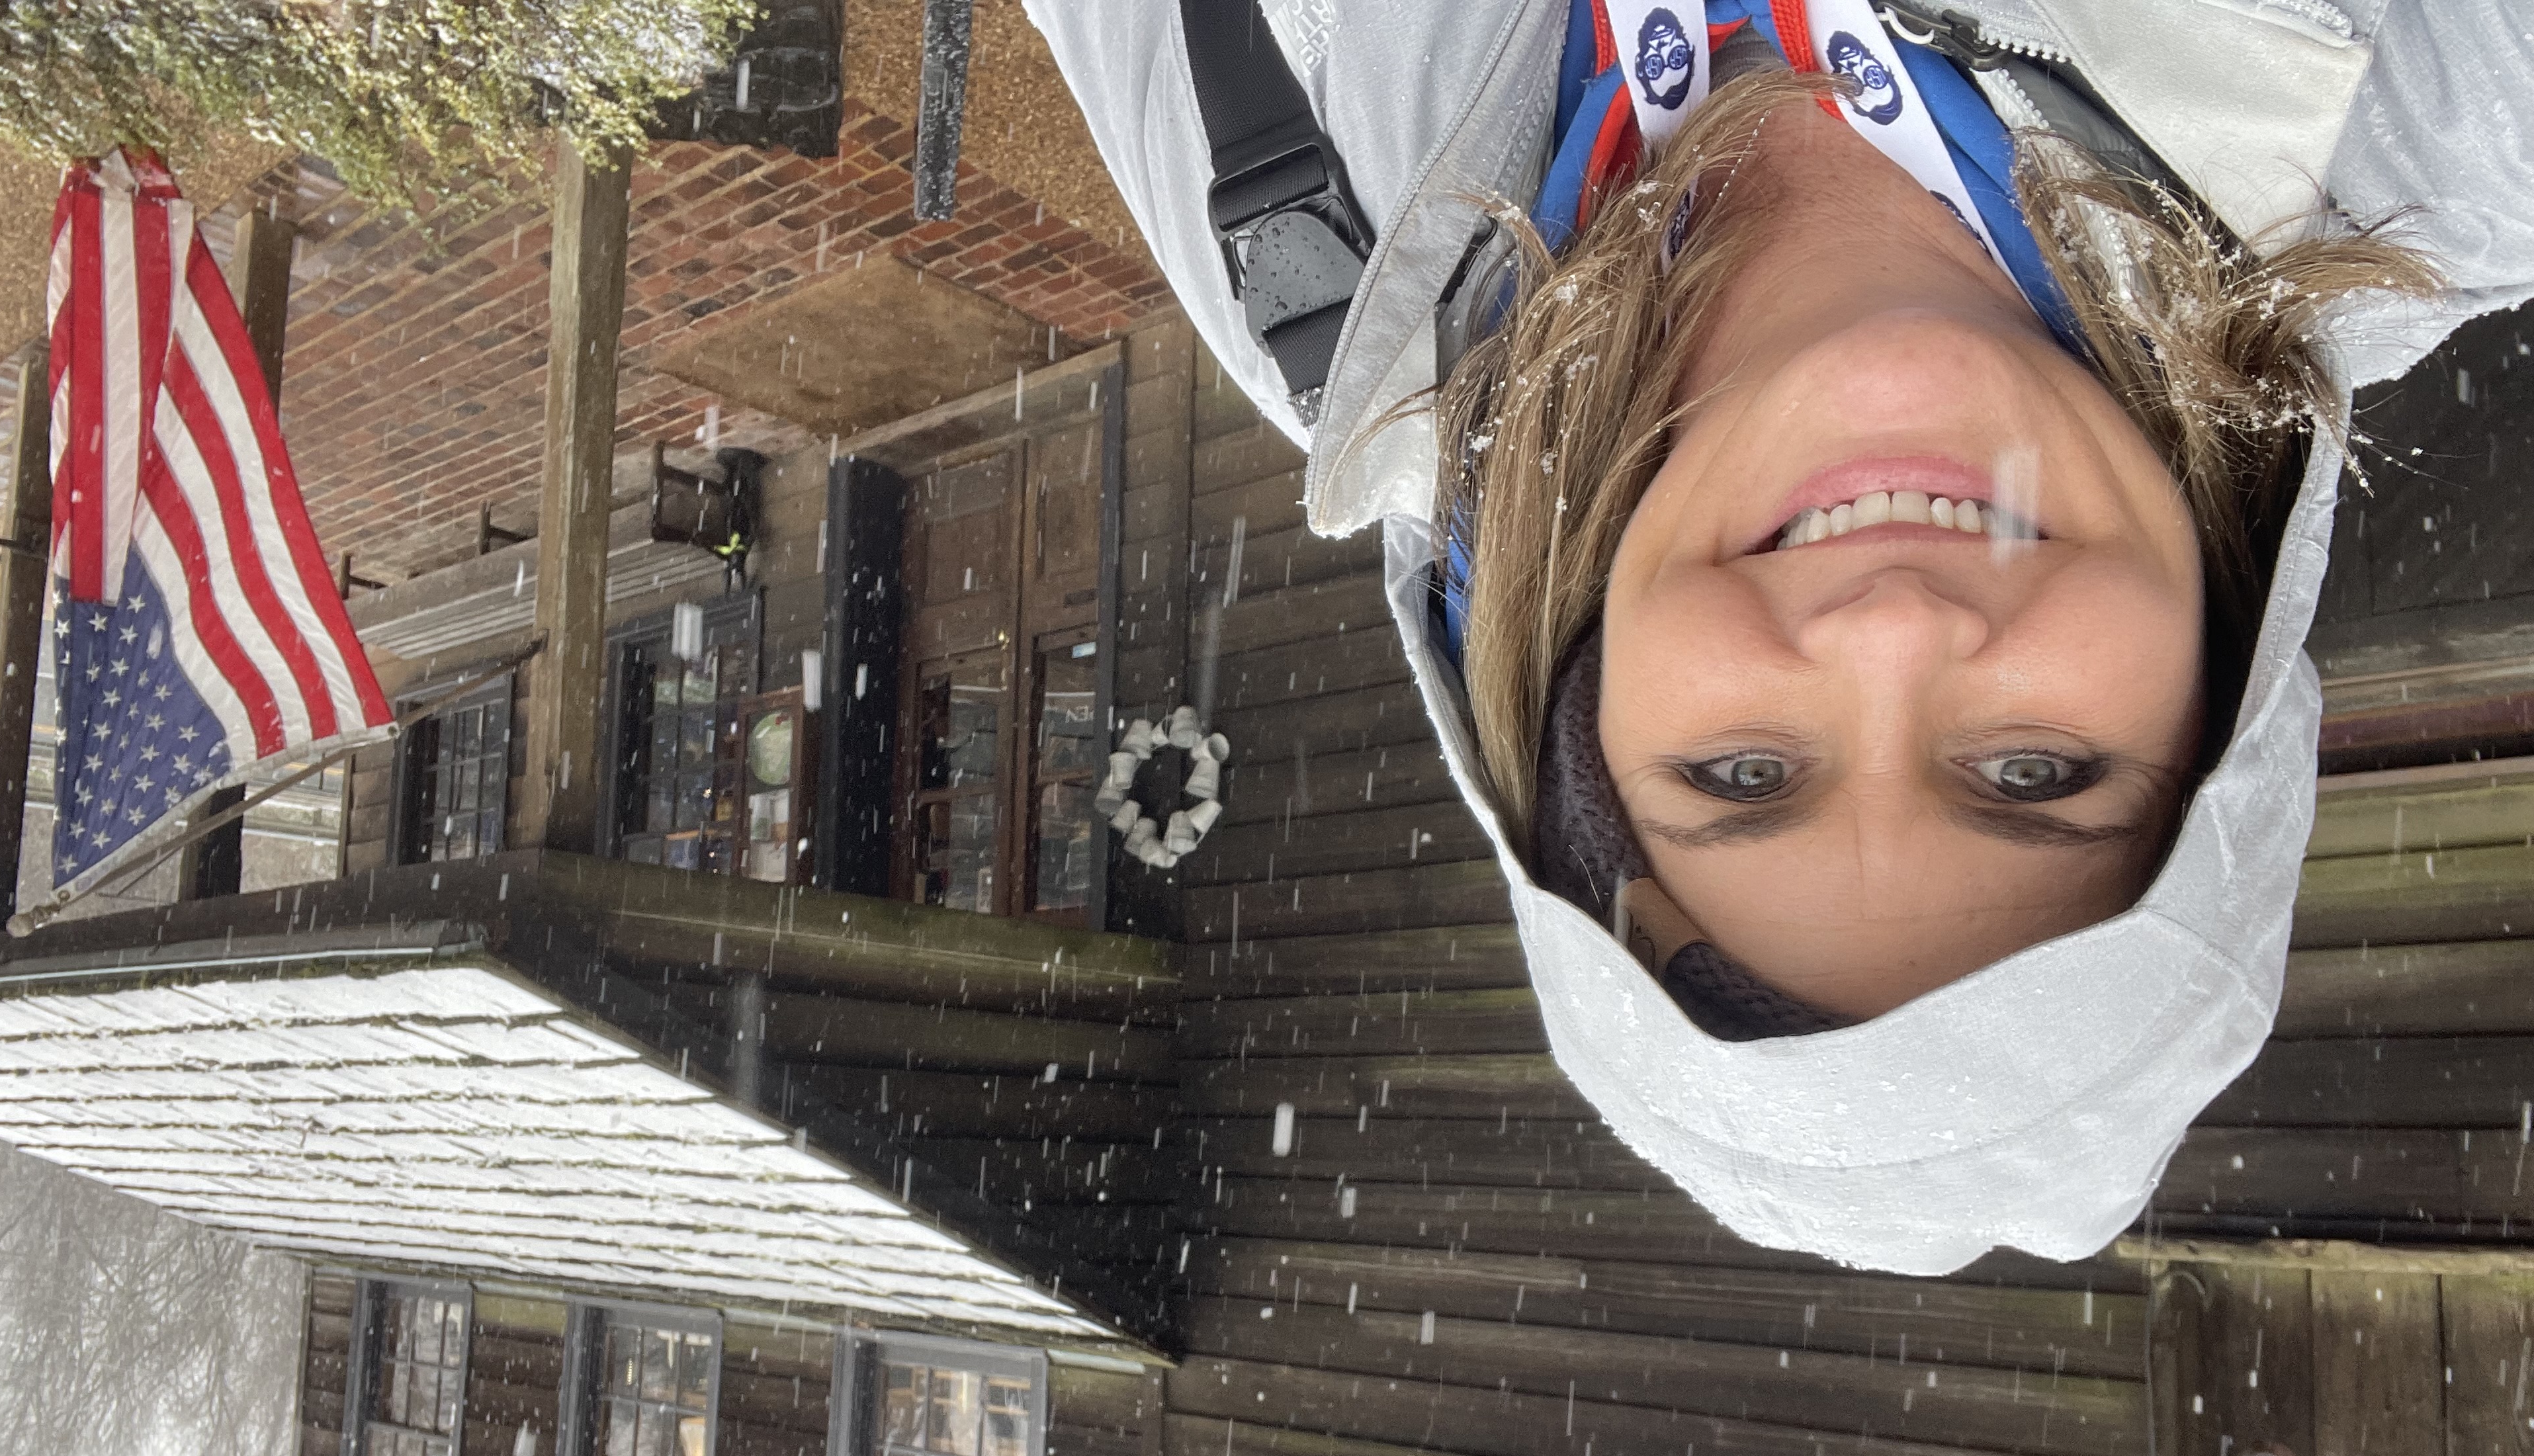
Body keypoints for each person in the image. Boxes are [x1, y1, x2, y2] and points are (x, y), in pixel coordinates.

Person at [1024, 0, 2527, 1273]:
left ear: (1573, 704)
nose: (1892, 629)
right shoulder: (2450, 115)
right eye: (2033, 773)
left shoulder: (1331, 283)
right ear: (2219, 691)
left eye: (1745, 776)